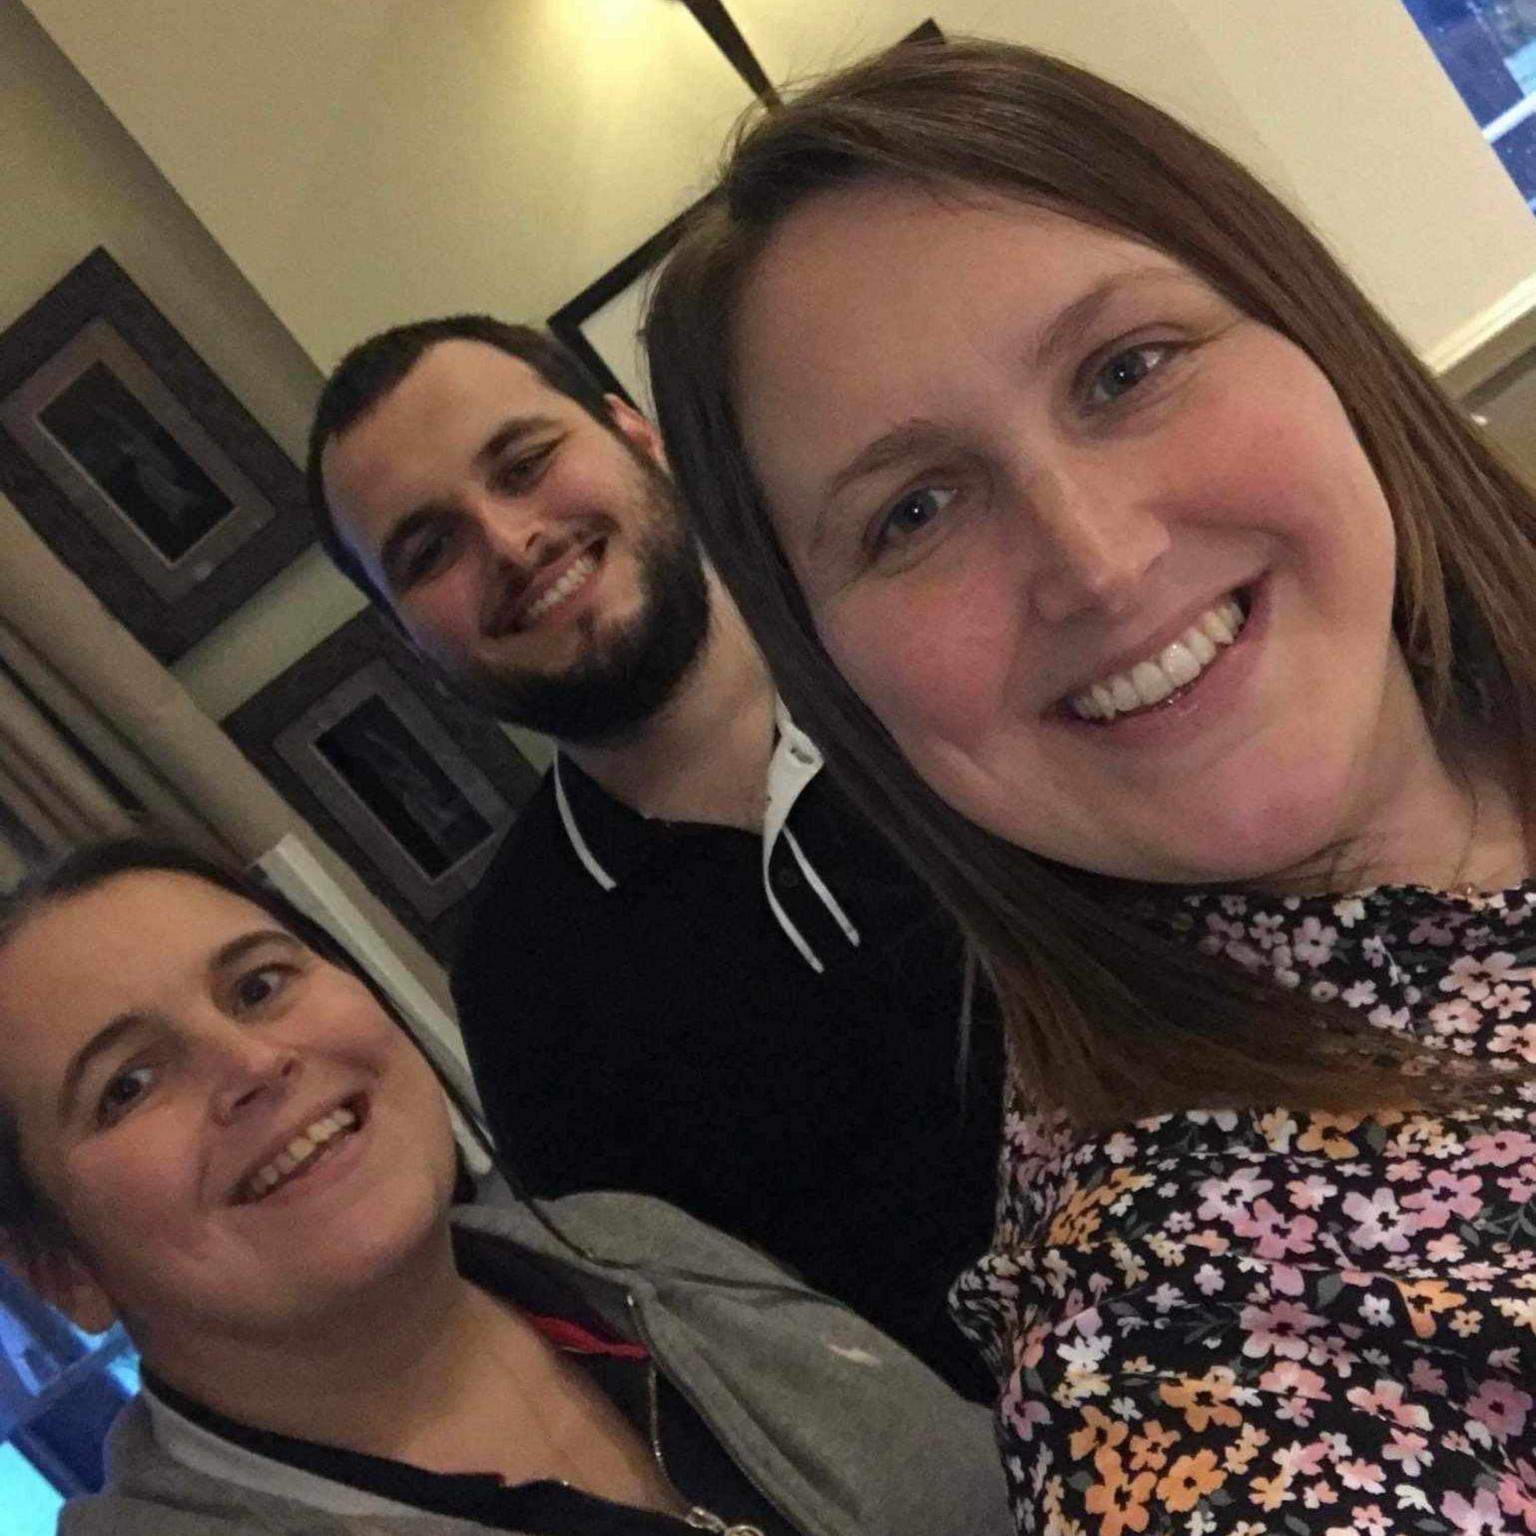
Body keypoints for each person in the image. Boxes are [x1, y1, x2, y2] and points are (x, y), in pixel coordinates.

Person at [643, 34, 1536, 1536]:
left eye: (1127, 370)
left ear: (1302, 322)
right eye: (915, 512)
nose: (1099, 559)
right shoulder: (1185, 1357)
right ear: (832, 677)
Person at [303, 316, 1002, 1397]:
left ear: (637, 436)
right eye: (429, 548)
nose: (510, 540)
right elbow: (724, 1373)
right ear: (408, 638)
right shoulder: (522, 990)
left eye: (526, 464)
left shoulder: (938, 631)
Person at [0, 838, 1012, 1536]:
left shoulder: (631, 1241)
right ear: (63, 1272)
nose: (252, 1062)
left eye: (259, 985)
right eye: (127, 1085)